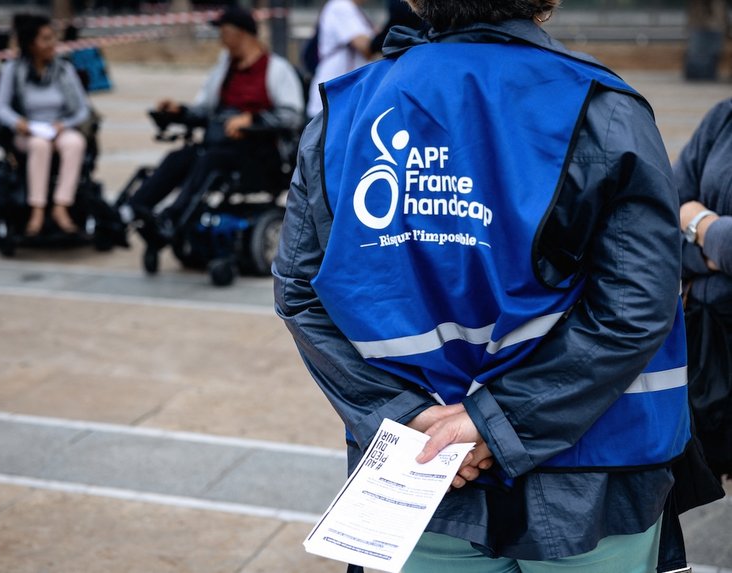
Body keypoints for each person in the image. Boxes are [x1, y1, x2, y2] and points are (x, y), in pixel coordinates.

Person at [274, 1, 700, 571]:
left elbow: (300, 290)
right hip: (594, 474)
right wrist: (489, 424)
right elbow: (636, 306)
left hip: (422, 474)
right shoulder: (602, 109)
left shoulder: (345, 114)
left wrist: (405, 415)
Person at [117, 6, 304, 275]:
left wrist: (252, 120)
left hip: (260, 154)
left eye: (225, 33)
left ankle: (173, 219)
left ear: (243, 35)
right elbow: (206, 109)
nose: (221, 40)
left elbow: (292, 116)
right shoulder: (224, 68)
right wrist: (179, 111)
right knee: (180, 158)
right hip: (220, 145)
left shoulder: (277, 69)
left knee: (210, 161)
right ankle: (134, 210)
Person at [675, 98, 732, 483]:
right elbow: (662, 213)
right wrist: (715, 248)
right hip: (711, 343)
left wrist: (696, 221)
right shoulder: (724, 117)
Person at [0, 13, 90, 236]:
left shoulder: (64, 69)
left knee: (75, 143)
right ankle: (37, 209)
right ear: (31, 43)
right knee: (40, 145)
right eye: (45, 39)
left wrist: (62, 125)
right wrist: (19, 123)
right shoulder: (13, 70)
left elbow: (82, 109)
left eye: (53, 38)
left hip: (58, 127)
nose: (52, 44)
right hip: (27, 132)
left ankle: (61, 206)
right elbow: (1, 108)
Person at [306, 0, 374, 118]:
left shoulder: (354, 9)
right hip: (332, 101)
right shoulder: (340, 6)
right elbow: (364, 46)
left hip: (344, 100)